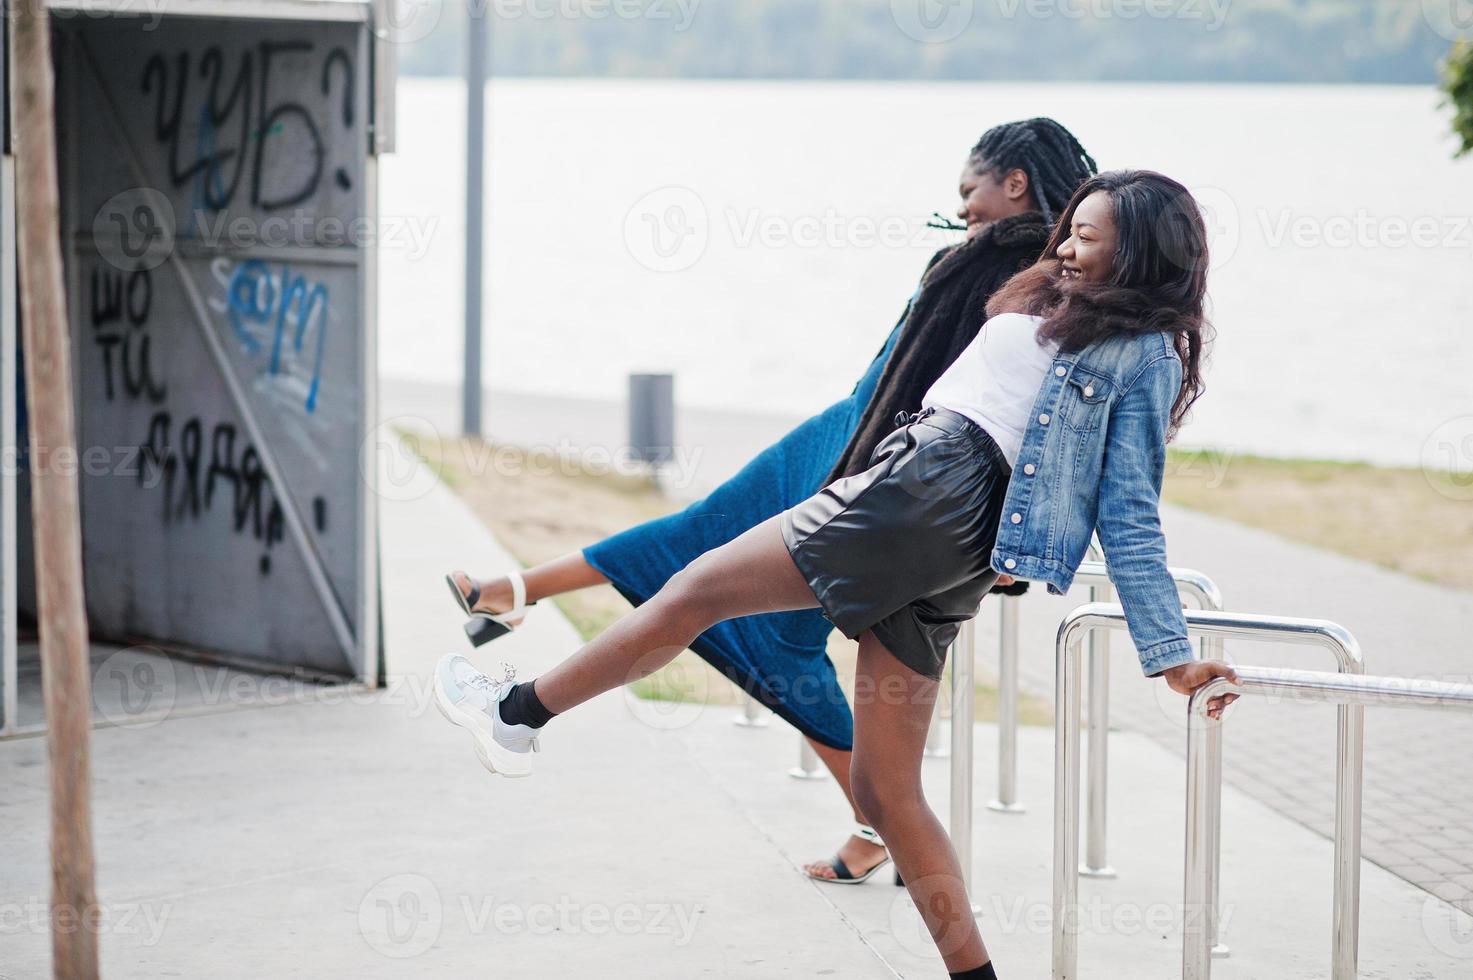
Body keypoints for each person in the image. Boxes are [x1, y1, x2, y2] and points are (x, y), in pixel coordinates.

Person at [434, 169, 1242, 979]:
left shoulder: (1140, 354)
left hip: (926, 493)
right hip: (954, 542)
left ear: (1138, 253)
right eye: (1066, 229)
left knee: (693, 591)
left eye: (1086, 240)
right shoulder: (1071, 309)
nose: (1063, 248)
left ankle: (514, 716)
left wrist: (1169, 655)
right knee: (886, 789)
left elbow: (1128, 510)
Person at [443, 118, 1098, 886]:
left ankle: (515, 681)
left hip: (877, 473)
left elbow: (1013, 416)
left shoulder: (1011, 269)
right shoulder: (1011, 267)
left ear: (1013, 180)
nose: (962, 207)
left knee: (740, 606)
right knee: (702, 557)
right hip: (851, 450)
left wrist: (979, 528)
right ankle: (511, 632)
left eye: (970, 190)